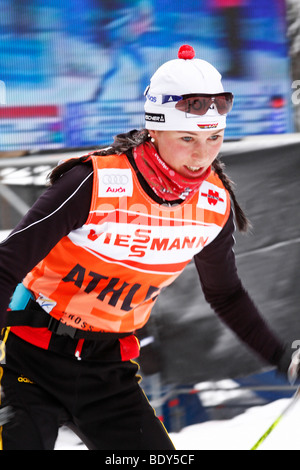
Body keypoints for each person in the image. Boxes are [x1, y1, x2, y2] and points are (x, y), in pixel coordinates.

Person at [0, 45, 295, 450]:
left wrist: (283, 358)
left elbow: (225, 294)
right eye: (187, 138)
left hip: (109, 371)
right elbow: (7, 266)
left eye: (214, 138)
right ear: (155, 130)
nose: (201, 155)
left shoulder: (213, 203)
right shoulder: (97, 182)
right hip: (31, 359)